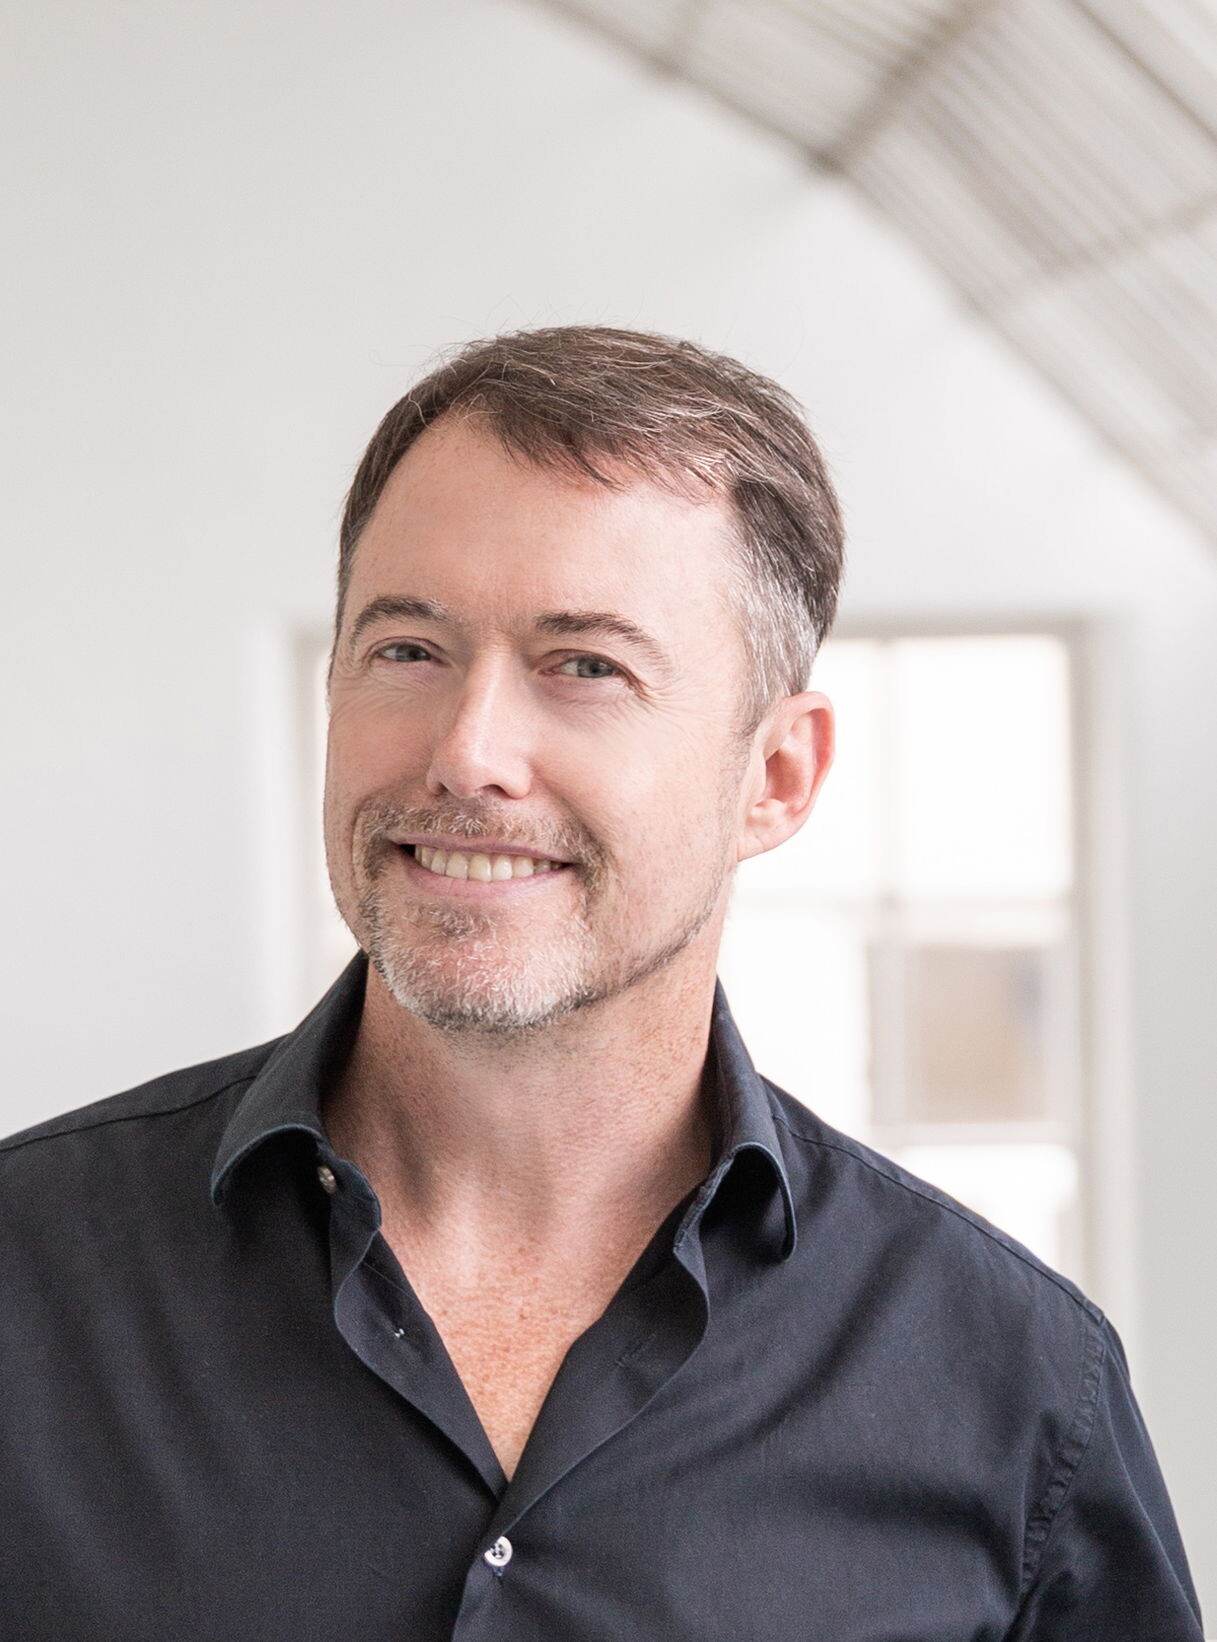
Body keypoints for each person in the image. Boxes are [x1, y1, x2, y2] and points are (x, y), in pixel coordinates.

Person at [0, 326, 1203, 1641]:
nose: (469, 751)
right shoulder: (25, 1283)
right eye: (408, 649)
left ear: (777, 776)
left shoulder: (1014, 1387)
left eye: (585, 666)